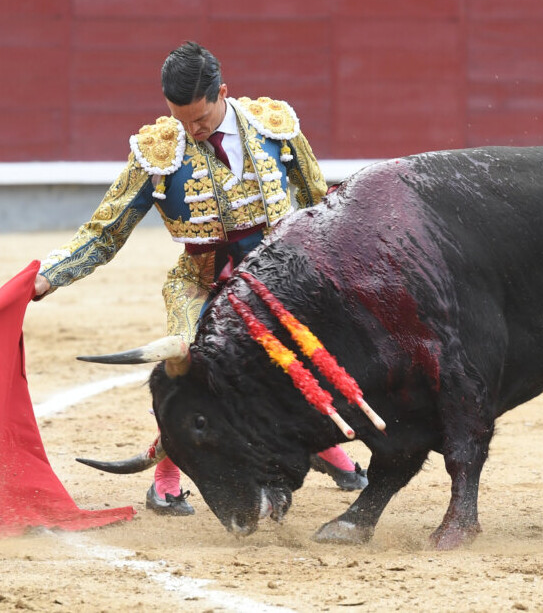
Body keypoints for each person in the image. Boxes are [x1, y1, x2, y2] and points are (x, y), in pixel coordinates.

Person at [32, 41, 368, 516]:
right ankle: (166, 480)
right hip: (201, 281)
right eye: (181, 119)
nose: (192, 130)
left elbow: (317, 201)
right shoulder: (158, 153)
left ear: (222, 93)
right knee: (188, 371)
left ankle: (323, 446)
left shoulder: (274, 127)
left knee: (302, 354)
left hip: (278, 276)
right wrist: (50, 275)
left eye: (201, 120)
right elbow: (105, 231)